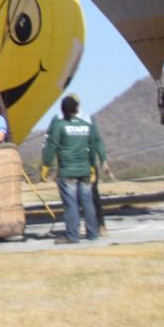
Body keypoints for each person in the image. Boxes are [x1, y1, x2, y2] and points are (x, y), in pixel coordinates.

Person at [40, 93, 106, 243]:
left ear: (63, 110)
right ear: (77, 109)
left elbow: (52, 145)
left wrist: (46, 165)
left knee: (71, 205)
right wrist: (92, 166)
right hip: (85, 170)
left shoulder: (59, 124)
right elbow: (94, 145)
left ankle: (72, 235)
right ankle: (93, 233)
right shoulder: (87, 125)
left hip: (67, 171)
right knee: (88, 202)